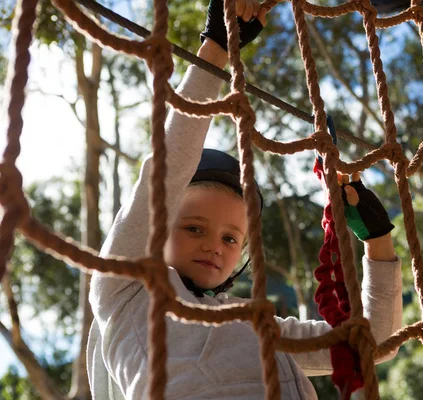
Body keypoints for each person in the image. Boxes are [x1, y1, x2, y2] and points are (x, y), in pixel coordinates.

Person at [86, 1, 403, 398]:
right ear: (156, 227)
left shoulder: (259, 325)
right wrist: (216, 48)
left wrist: (377, 241)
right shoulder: (125, 290)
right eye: (194, 227)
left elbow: (372, 344)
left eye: (230, 238)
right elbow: (168, 165)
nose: (212, 246)